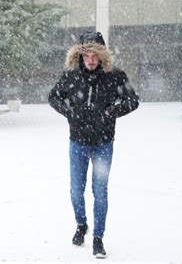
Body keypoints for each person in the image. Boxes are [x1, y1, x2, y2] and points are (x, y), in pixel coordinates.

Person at [48, 31, 139, 259]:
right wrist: (68, 111)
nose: (90, 60)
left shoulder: (115, 76)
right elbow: (54, 96)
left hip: (103, 143)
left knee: (100, 192)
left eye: (94, 55)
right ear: (80, 55)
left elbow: (133, 100)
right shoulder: (71, 76)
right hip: (77, 142)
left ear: (102, 57)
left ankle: (98, 239)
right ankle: (81, 224)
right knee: (76, 190)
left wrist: (111, 112)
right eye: (86, 55)